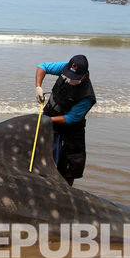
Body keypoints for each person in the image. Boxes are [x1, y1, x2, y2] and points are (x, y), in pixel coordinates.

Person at [35, 55, 96, 186]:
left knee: (69, 167)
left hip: (71, 130)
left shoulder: (87, 96)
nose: (69, 79)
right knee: (40, 156)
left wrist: (47, 120)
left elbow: (71, 118)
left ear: (84, 76)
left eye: (74, 78)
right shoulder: (65, 68)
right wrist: (38, 87)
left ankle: (67, 193)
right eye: (69, 75)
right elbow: (42, 66)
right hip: (49, 118)